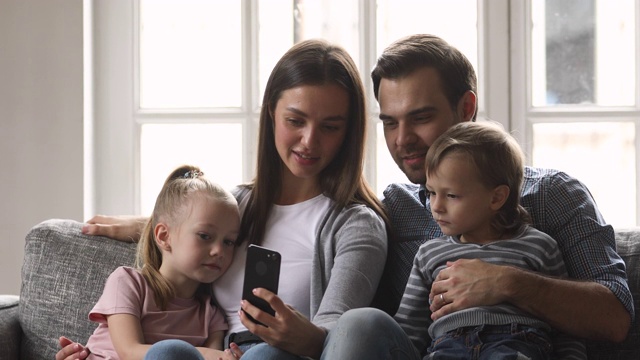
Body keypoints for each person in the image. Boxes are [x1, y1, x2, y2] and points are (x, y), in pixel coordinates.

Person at [56, 39, 389, 360]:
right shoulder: (237, 206)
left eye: (330, 127)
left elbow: (342, 338)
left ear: (349, 131)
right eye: (295, 121)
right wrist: (144, 224)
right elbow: (189, 226)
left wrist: (303, 337)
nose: (309, 140)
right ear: (272, 112)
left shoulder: (357, 226)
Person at [323, 34, 633, 359]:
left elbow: (615, 317)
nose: (402, 140)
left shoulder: (553, 194)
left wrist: (506, 282)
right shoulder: (392, 210)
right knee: (360, 323)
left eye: (421, 118)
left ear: (466, 107)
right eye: (389, 123)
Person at [395, 121, 585, 359]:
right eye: (432, 192)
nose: (436, 207)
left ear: (496, 198)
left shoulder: (539, 246)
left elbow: (565, 326)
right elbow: (408, 331)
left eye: (451, 195)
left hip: (515, 342)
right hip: (448, 345)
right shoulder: (428, 254)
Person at [74, 165, 240, 360]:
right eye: (204, 236)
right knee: (167, 353)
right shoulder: (128, 283)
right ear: (164, 236)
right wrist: (206, 354)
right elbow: (129, 351)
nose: (219, 251)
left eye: (228, 242)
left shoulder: (211, 316)